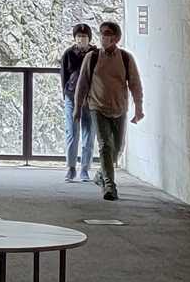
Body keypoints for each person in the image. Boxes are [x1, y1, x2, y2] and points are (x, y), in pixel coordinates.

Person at [70, 20, 143, 200]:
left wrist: (138, 108)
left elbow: (135, 84)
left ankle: (101, 175)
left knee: (117, 148)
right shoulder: (92, 57)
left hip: (119, 108)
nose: (104, 37)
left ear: (116, 38)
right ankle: (109, 186)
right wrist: (77, 108)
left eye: (108, 34)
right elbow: (82, 84)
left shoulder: (125, 58)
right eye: (102, 34)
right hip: (97, 107)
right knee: (105, 145)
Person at [58, 23, 96, 182]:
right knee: (72, 132)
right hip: (72, 96)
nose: (81, 39)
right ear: (75, 38)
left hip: (90, 98)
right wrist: (65, 94)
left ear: (89, 38)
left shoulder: (95, 54)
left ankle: (85, 168)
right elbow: (64, 76)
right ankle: (71, 167)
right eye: (79, 36)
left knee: (89, 133)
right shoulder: (68, 53)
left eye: (84, 36)